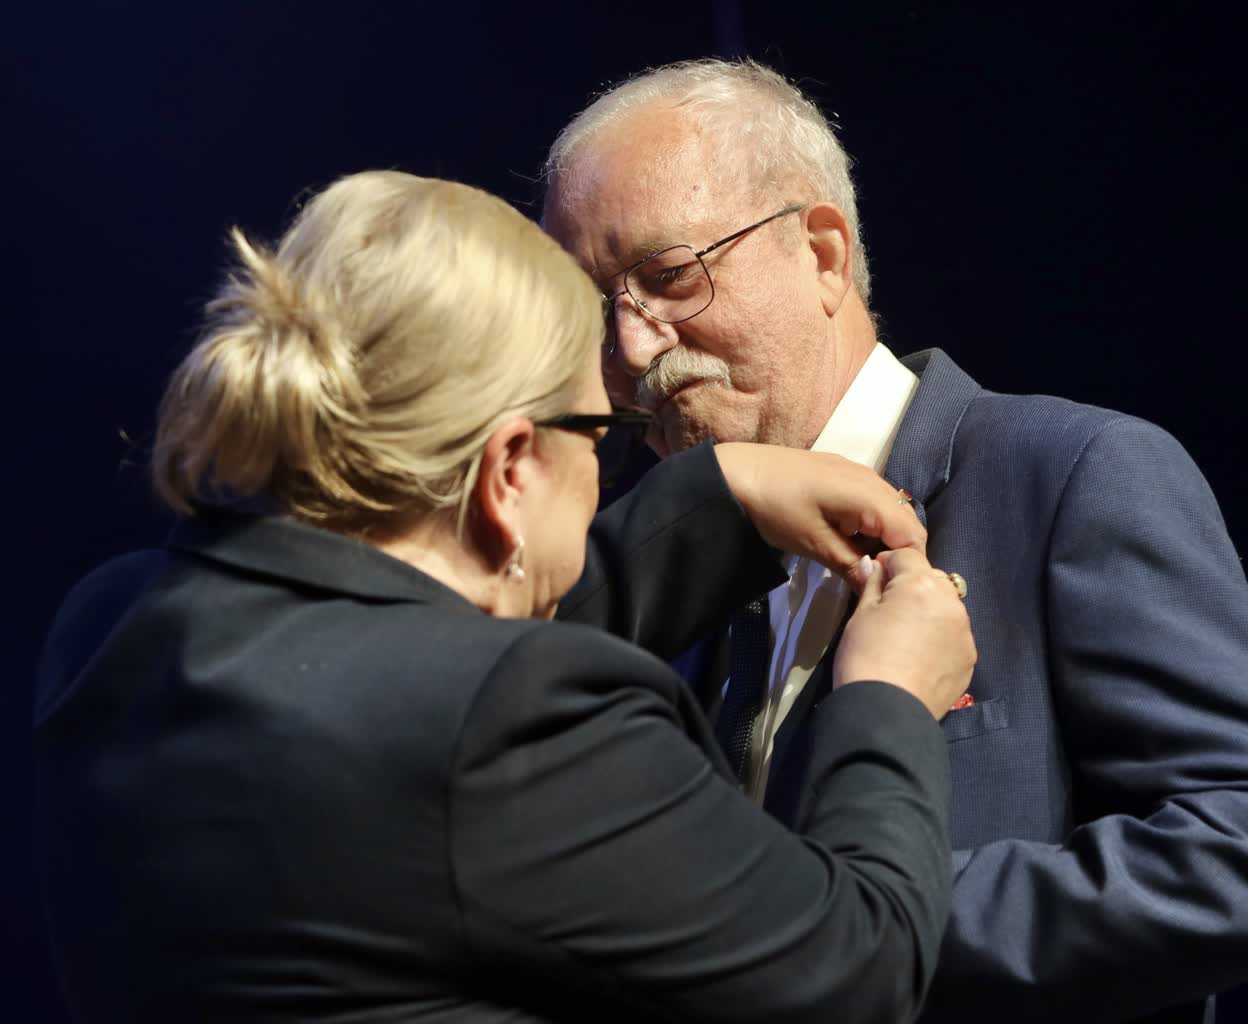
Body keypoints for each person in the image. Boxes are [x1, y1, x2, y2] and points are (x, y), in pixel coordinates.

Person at [34, 170, 977, 1023]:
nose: (609, 470)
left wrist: (718, 492)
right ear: (511, 467)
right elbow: (859, 969)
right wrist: (886, 697)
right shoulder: (510, 720)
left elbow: (392, 652)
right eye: (600, 438)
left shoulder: (111, 622)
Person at [540, 59, 1248, 1024]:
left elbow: (1231, 848)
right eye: (595, 311)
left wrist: (856, 927)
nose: (631, 351)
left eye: (668, 278)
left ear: (823, 254)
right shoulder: (671, 582)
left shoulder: (1076, 472)